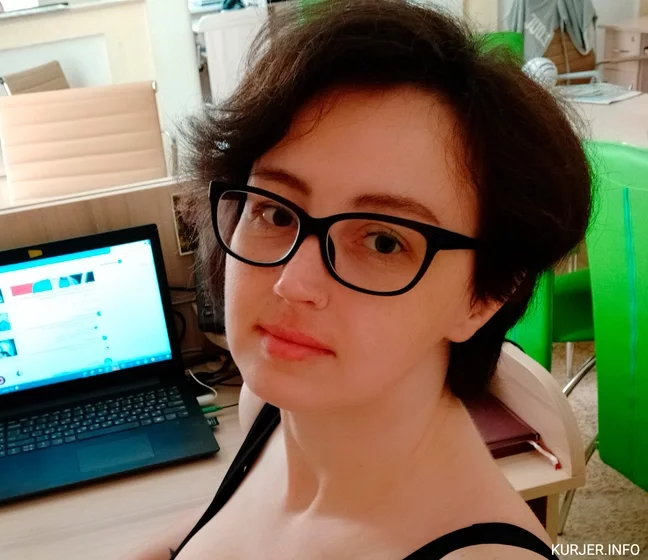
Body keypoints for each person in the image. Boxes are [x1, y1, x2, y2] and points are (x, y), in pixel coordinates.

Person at [133, 0, 591, 558]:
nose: (292, 283)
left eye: (383, 242)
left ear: (484, 297)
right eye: (274, 212)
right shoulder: (270, 409)